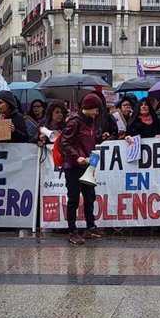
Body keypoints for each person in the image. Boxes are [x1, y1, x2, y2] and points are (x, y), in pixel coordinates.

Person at [58, 94, 103, 245]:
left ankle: (90, 226)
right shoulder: (75, 122)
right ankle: (72, 230)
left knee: (90, 195)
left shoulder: (90, 122)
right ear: (89, 108)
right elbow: (64, 143)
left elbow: (88, 140)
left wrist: (101, 137)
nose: (98, 112)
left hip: (87, 164)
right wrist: (76, 157)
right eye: (96, 109)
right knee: (74, 199)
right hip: (74, 166)